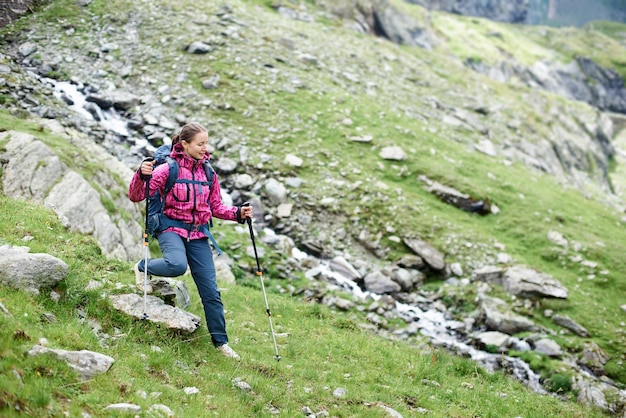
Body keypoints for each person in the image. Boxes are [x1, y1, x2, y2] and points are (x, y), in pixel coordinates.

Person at [128, 122, 253, 360]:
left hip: (198, 234)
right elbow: (136, 196)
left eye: (207, 143)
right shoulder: (167, 170)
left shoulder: (208, 172)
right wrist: (140, 175)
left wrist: (237, 213)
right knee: (176, 265)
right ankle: (142, 267)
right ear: (184, 145)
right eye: (200, 144)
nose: (205, 149)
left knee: (211, 292)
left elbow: (215, 206)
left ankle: (221, 343)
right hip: (170, 228)